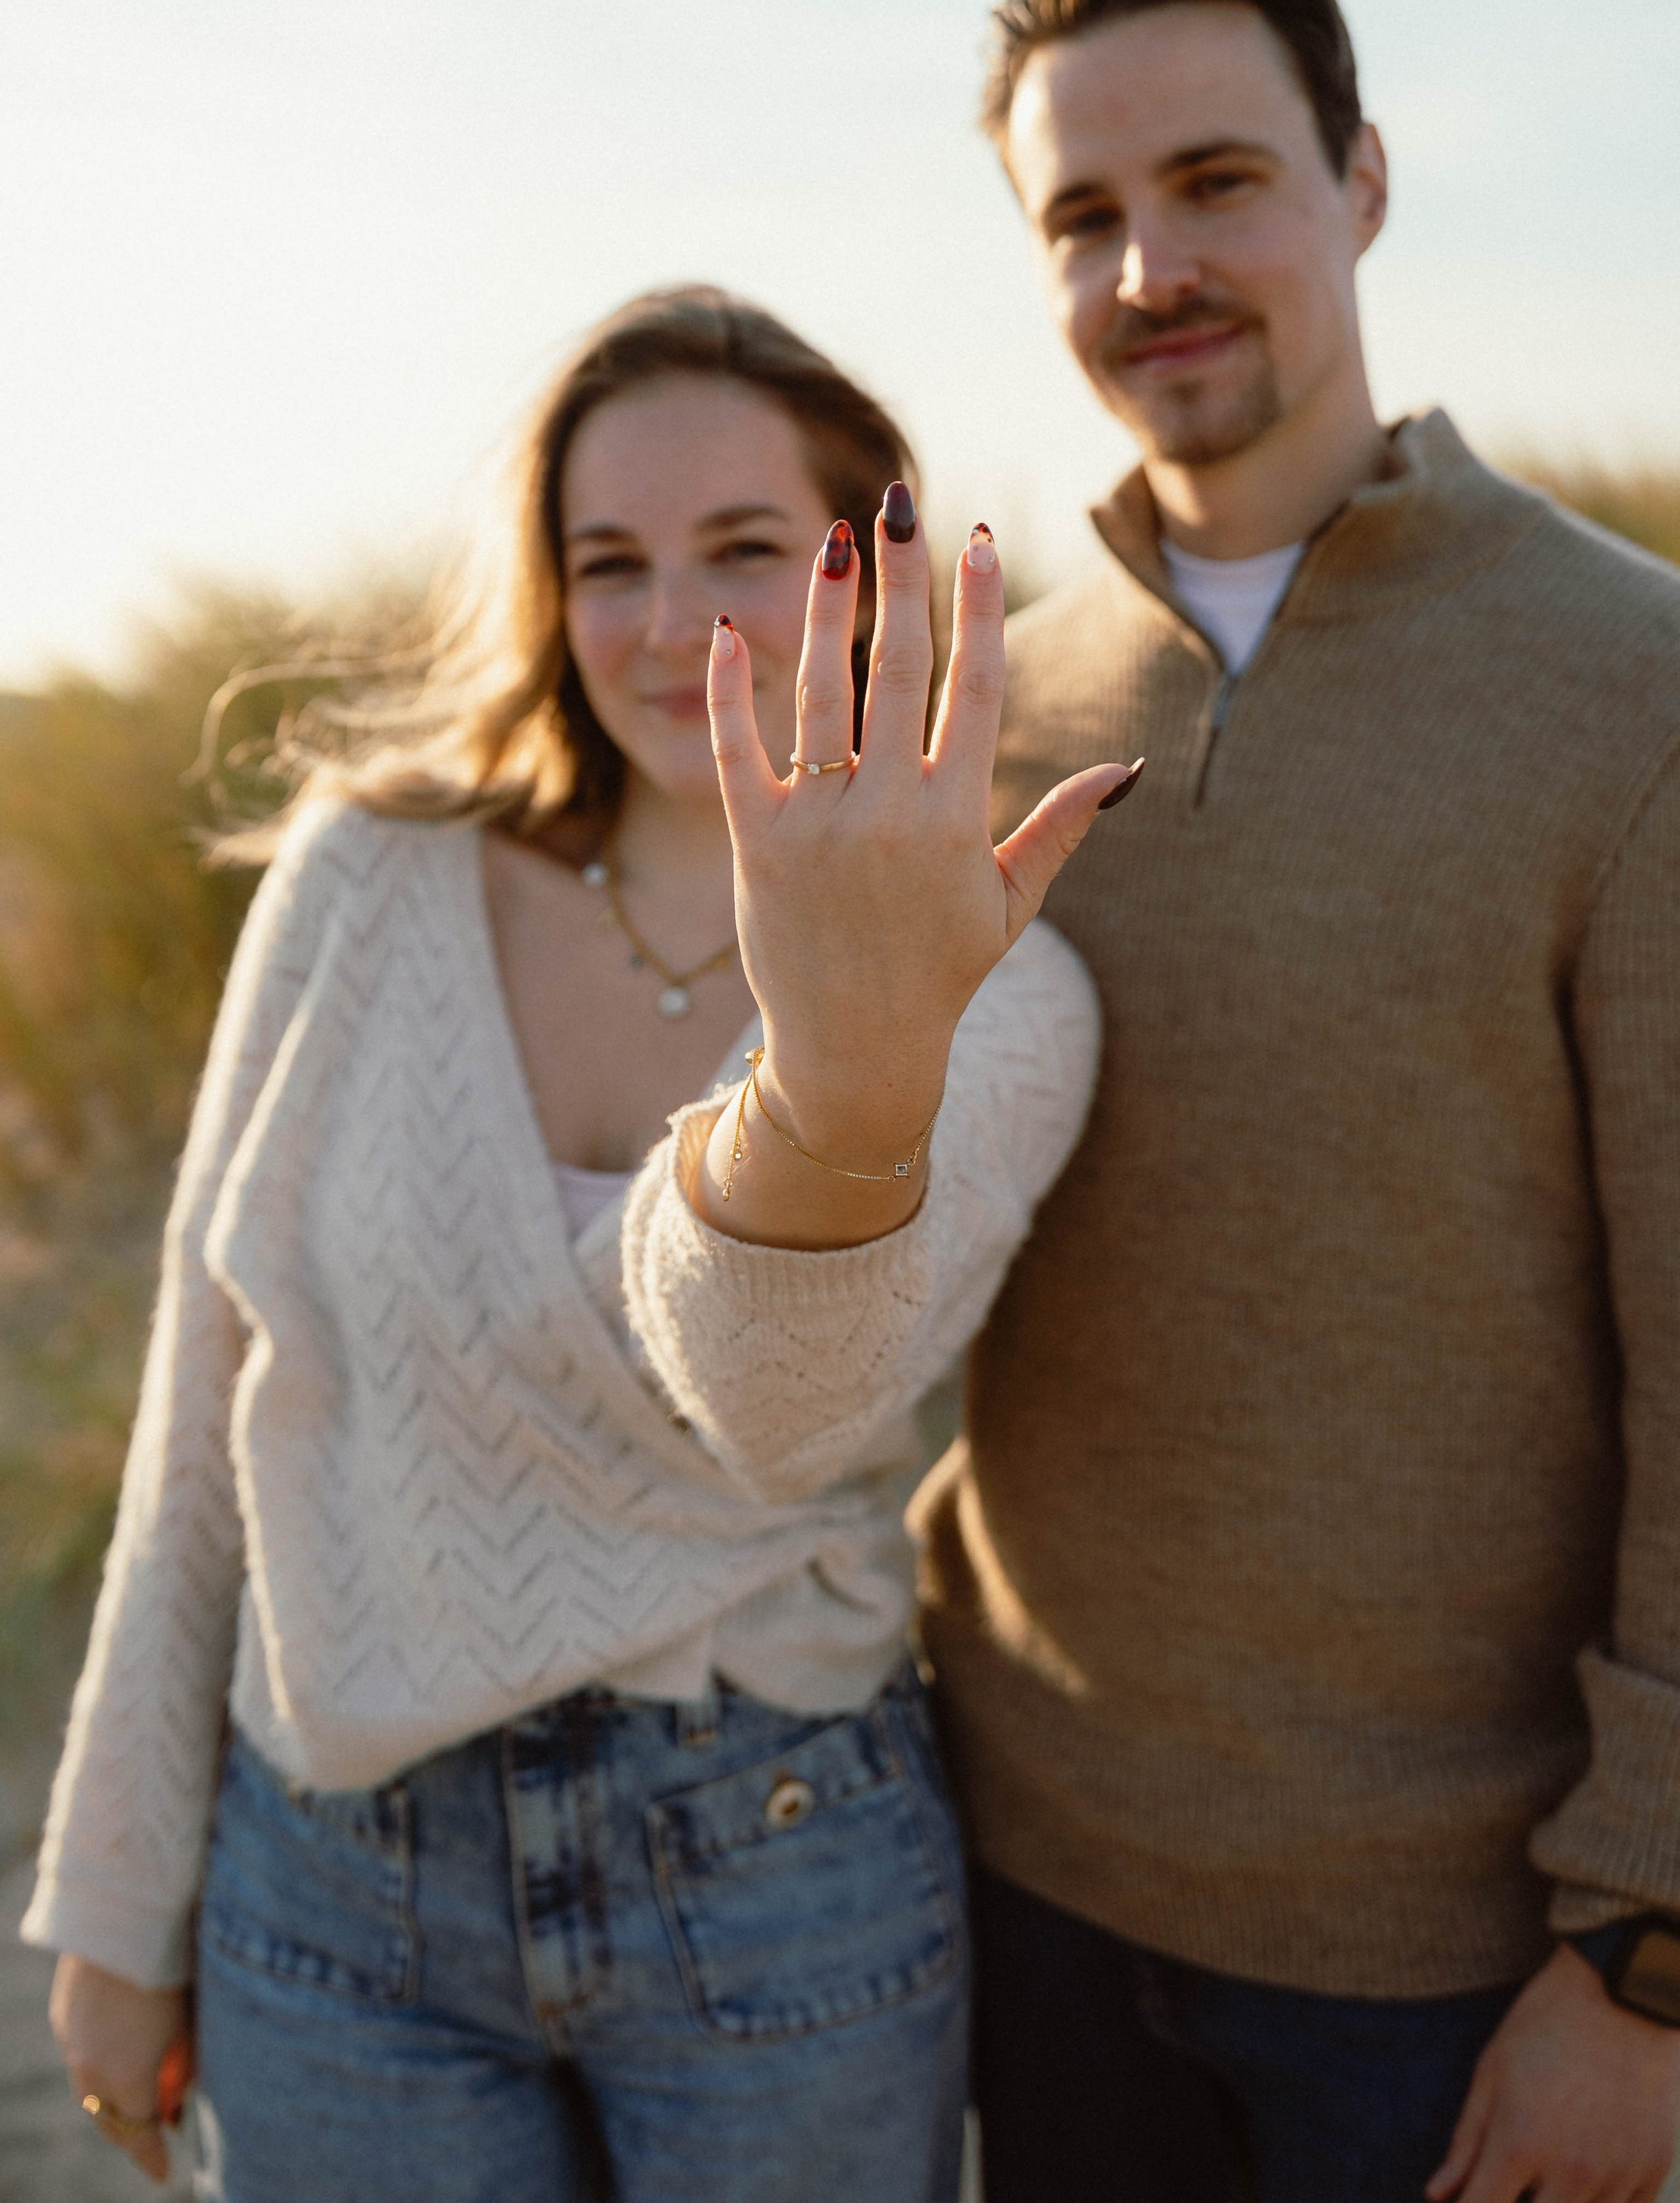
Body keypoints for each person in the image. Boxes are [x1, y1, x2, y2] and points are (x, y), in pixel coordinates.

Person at [620, 0, 1680, 2201]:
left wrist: (1651, 1962)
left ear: (1364, 179)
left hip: (1453, 1967)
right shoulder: (977, 708)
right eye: (1080, 217)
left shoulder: (1637, 690)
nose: (1148, 269)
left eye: (1216, 181)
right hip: (1016, 1890)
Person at [22, 285, 1120, 2201]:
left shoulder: (1011, 1001)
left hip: (770, 1865)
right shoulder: (371, 873)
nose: (666, 620)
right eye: (606, 561)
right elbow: (210, 1391)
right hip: (334, 1867)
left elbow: (771, 1410)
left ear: (873, 579)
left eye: (745, 550)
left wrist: (845, 1067)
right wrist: (117, 1892)